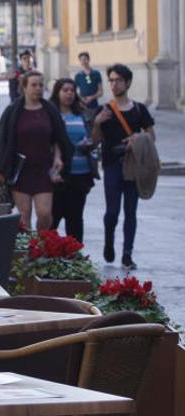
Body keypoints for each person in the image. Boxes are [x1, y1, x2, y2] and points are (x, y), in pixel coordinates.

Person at [91, 63, 155, 270]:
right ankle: (109, 241)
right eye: (111, 80)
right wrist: (97, 123)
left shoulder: (139, 109)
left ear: (127, 82)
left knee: (130, 211)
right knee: (112, 212)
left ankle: (127, 254)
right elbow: (94, 141)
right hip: (111, 165)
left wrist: (137, 137)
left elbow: (151, 136)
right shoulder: (105, 110)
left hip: (132, 166)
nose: (114, 84)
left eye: (118, 80)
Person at [0, 71, 71, 230]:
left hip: (44, 169)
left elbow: (58, 137)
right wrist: (0, 166)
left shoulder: (49, 110)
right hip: (20, 169)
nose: (38, 88)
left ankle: (41, 244)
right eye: (34, 85)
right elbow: (2, 140)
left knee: (44, 214)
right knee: (24, 215)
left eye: (41, 85)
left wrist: (58, 157)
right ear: (24, 87)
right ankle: (28, 251)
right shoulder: (13, 111)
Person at [49, 78, 98, 243]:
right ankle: (47, 256)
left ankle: (75, 256)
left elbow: (91, 139)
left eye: (72, 90)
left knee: (75, 218)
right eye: (65, 90)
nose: (69, 93)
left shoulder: (81, 115)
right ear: (57, 93)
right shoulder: (51, 115)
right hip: (59, 174)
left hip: (81, 173)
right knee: (53, 217)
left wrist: (88, 144)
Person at [74, 52, 103, 117]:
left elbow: (101, 92)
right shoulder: (78, 76)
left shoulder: (96, 73)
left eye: (85, 59)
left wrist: (91, 98)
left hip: (94, 105)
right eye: (81, 60)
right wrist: (81, 99)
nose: (83, 61)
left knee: (94, 123)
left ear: (89, 60)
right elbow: (74, 91)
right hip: (82, 106)